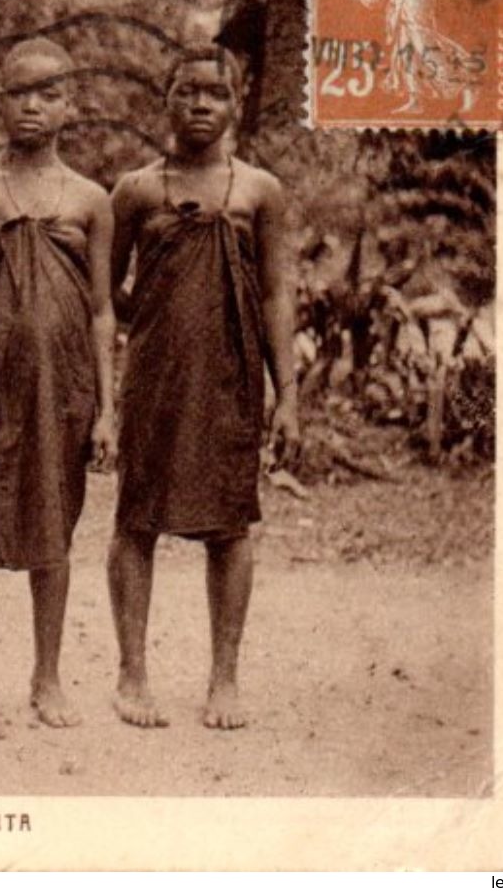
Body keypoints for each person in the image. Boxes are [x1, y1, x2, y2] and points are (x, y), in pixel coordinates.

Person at [108, 47, 300, 730]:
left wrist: (288, 397)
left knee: (229, 523)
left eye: (214, 93)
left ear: (235, 104)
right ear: (164, 99)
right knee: (136, 519)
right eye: (185, 91)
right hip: (154, 378)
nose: (198, 104)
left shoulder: (258, 191)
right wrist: (162, 318)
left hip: (232, 377)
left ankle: (224, 678)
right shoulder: (134, 190)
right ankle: (132, 675)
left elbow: (277, 294)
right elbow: (105, 293)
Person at [0, 39, 115, 739]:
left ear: (68, 103)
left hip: (60, 389)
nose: (31, 107)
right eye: (18, 93)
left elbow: (101, 311)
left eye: (46, 93)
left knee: (55, 524)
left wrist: (106, 409)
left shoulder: (90, 200)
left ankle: (46, 676)